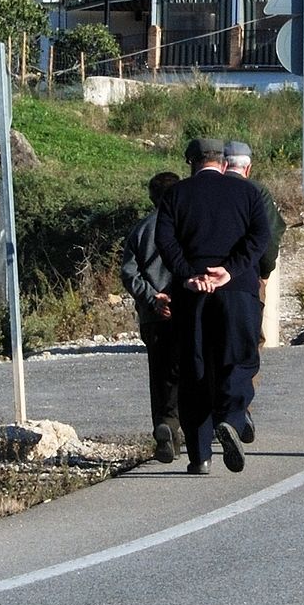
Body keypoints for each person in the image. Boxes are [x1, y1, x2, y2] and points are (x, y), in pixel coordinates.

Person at [160, 136, 269, 472]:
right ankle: (233, 421)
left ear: (191, 163)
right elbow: (260, 236)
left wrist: (189, 275)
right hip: (237, 291)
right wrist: (230, 270)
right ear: (223, 163)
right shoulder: (249, 193)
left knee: (195, 370)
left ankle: (200, 456)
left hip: (191, 295)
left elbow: (165, 240)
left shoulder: (175, 195)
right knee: (238, 361)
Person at [119, 171, 184, 463]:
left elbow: (129, 272)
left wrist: (153, 298)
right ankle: (181, 427)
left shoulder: (140, 230)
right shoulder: (186, 226)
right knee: (187, 371)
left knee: (159, 374)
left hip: (153, 316)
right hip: (184, 310)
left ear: (152, 197)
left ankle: (163, 425)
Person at [221, 139, 280, 441]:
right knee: (247, 346)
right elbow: (268, 242)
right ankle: (239, 411)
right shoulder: (257, 192)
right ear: (249, 166)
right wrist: (265, 273)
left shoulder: (206, 190)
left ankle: (217, 411)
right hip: (247, 282)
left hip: (205, 281)